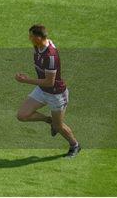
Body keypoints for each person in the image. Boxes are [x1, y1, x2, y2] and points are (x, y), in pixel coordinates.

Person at [14, 24, 81, 158]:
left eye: (31, 36)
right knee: (22, 115)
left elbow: (49, 82)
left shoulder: (51, 56)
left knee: (60, 126)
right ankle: (49, 120)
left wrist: (26, 80)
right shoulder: (38, 46)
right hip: (42, 90)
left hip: (56, 94)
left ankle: (75, 145)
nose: (29, 38)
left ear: (39, 38)